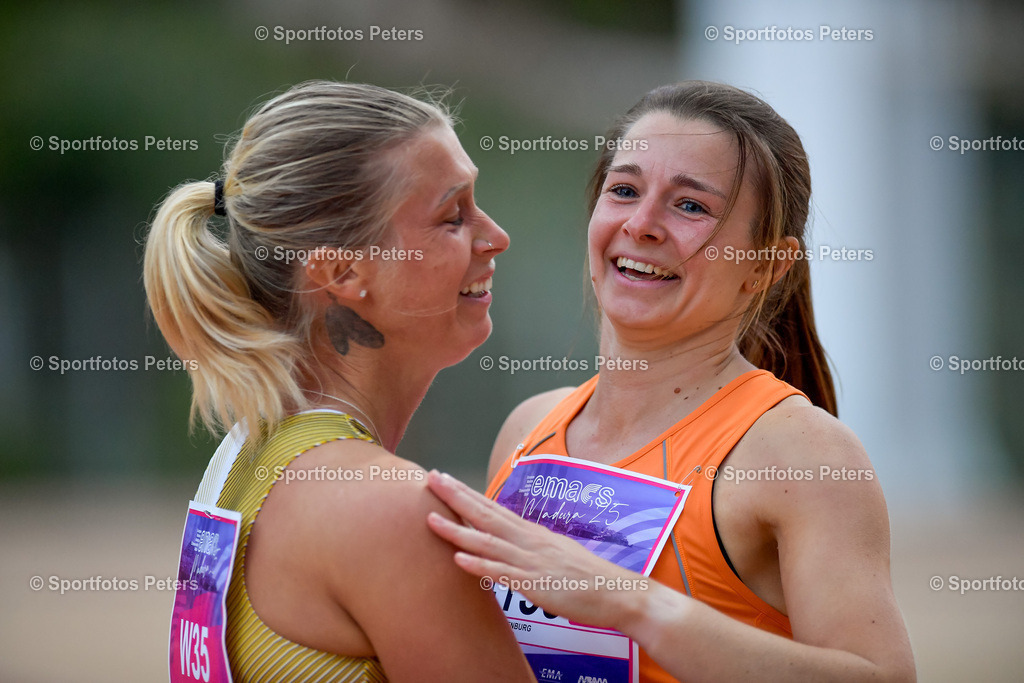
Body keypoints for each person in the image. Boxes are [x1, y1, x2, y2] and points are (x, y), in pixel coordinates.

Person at [427, 81, 916, 682]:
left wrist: (632, 603)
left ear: (764, 266)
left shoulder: (802, 453)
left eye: (690, 206)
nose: (643, 224)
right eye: (624, 190)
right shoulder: (529, 427)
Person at [144, 80, 534, 681]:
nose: (495, 237)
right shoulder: (391, 512)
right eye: (453, 216)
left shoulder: (247, 452)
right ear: (345, 271)